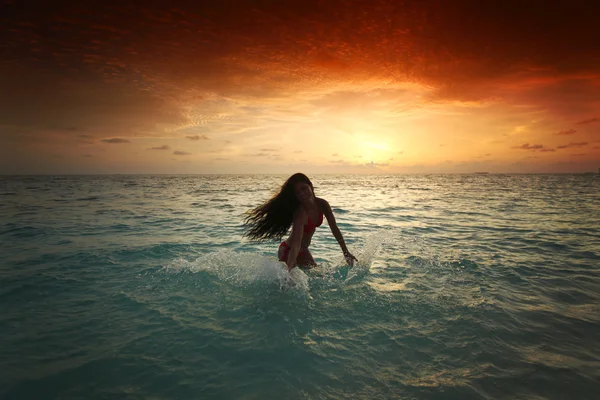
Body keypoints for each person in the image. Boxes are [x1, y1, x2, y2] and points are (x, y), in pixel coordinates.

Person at [244, 173, 357, 271]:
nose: (302, 193)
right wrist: (289, 270)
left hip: (303, 250)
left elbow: (334, 229)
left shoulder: (322, 204)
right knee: (289, 285)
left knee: (317, 277)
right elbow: (296, 244)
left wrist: (345, 252)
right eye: (297, 192)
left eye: (303, 188)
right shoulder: (300, 213)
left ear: (311, 186)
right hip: (288, 251)